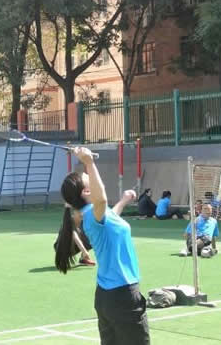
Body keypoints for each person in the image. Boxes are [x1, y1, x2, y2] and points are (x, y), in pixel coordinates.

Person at [55, 148, 150, 345]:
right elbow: (102, 199)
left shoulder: (94, 215)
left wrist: (123, 201)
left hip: (107, 297)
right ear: (86, 191)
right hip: (122, 294)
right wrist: (89, 162)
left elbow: (110, 219)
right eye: (86, 177)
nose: (89, 176)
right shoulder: (93, 212)